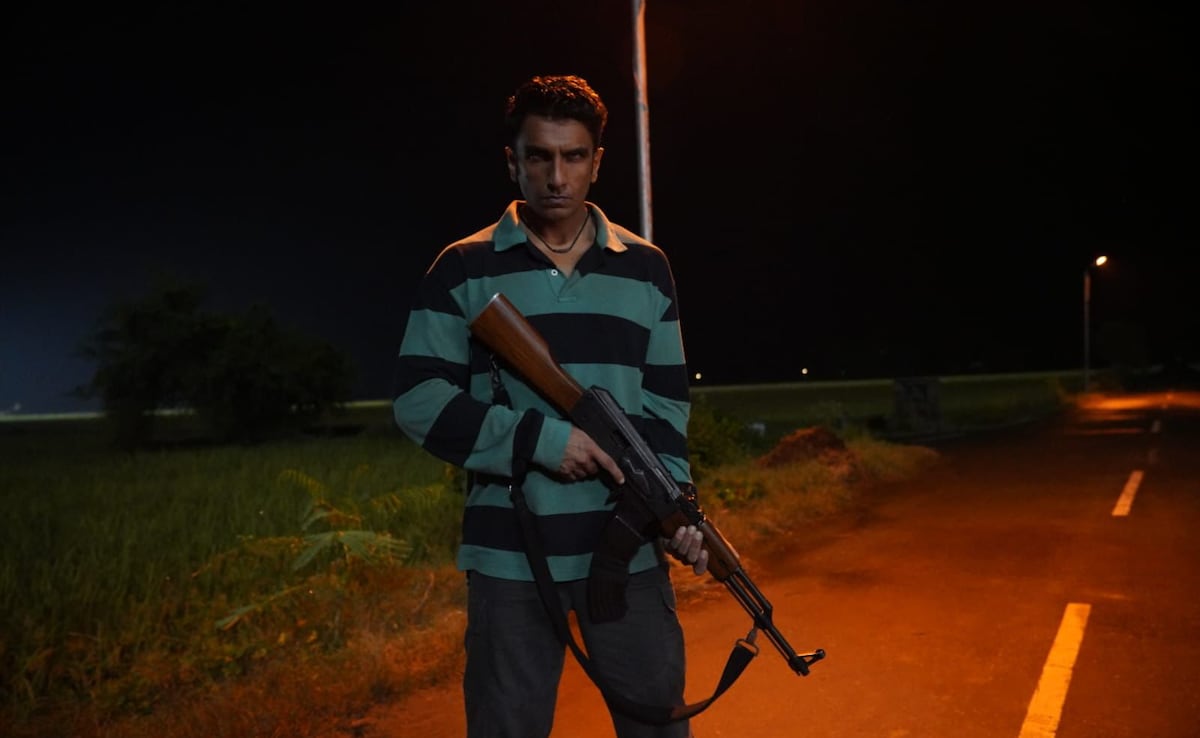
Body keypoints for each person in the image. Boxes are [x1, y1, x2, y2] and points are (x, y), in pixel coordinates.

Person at [392, 74, 707, 738]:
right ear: (513, 161)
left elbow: (666, 406)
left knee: (658, 726)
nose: (557, 177)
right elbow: (418, 401)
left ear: (598, 161)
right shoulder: (463, 268)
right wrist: (541, 441)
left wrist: (675, 506)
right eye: (539, 156)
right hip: (509, 559)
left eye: (573, 156)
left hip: (628, 557)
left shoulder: (646, 267)